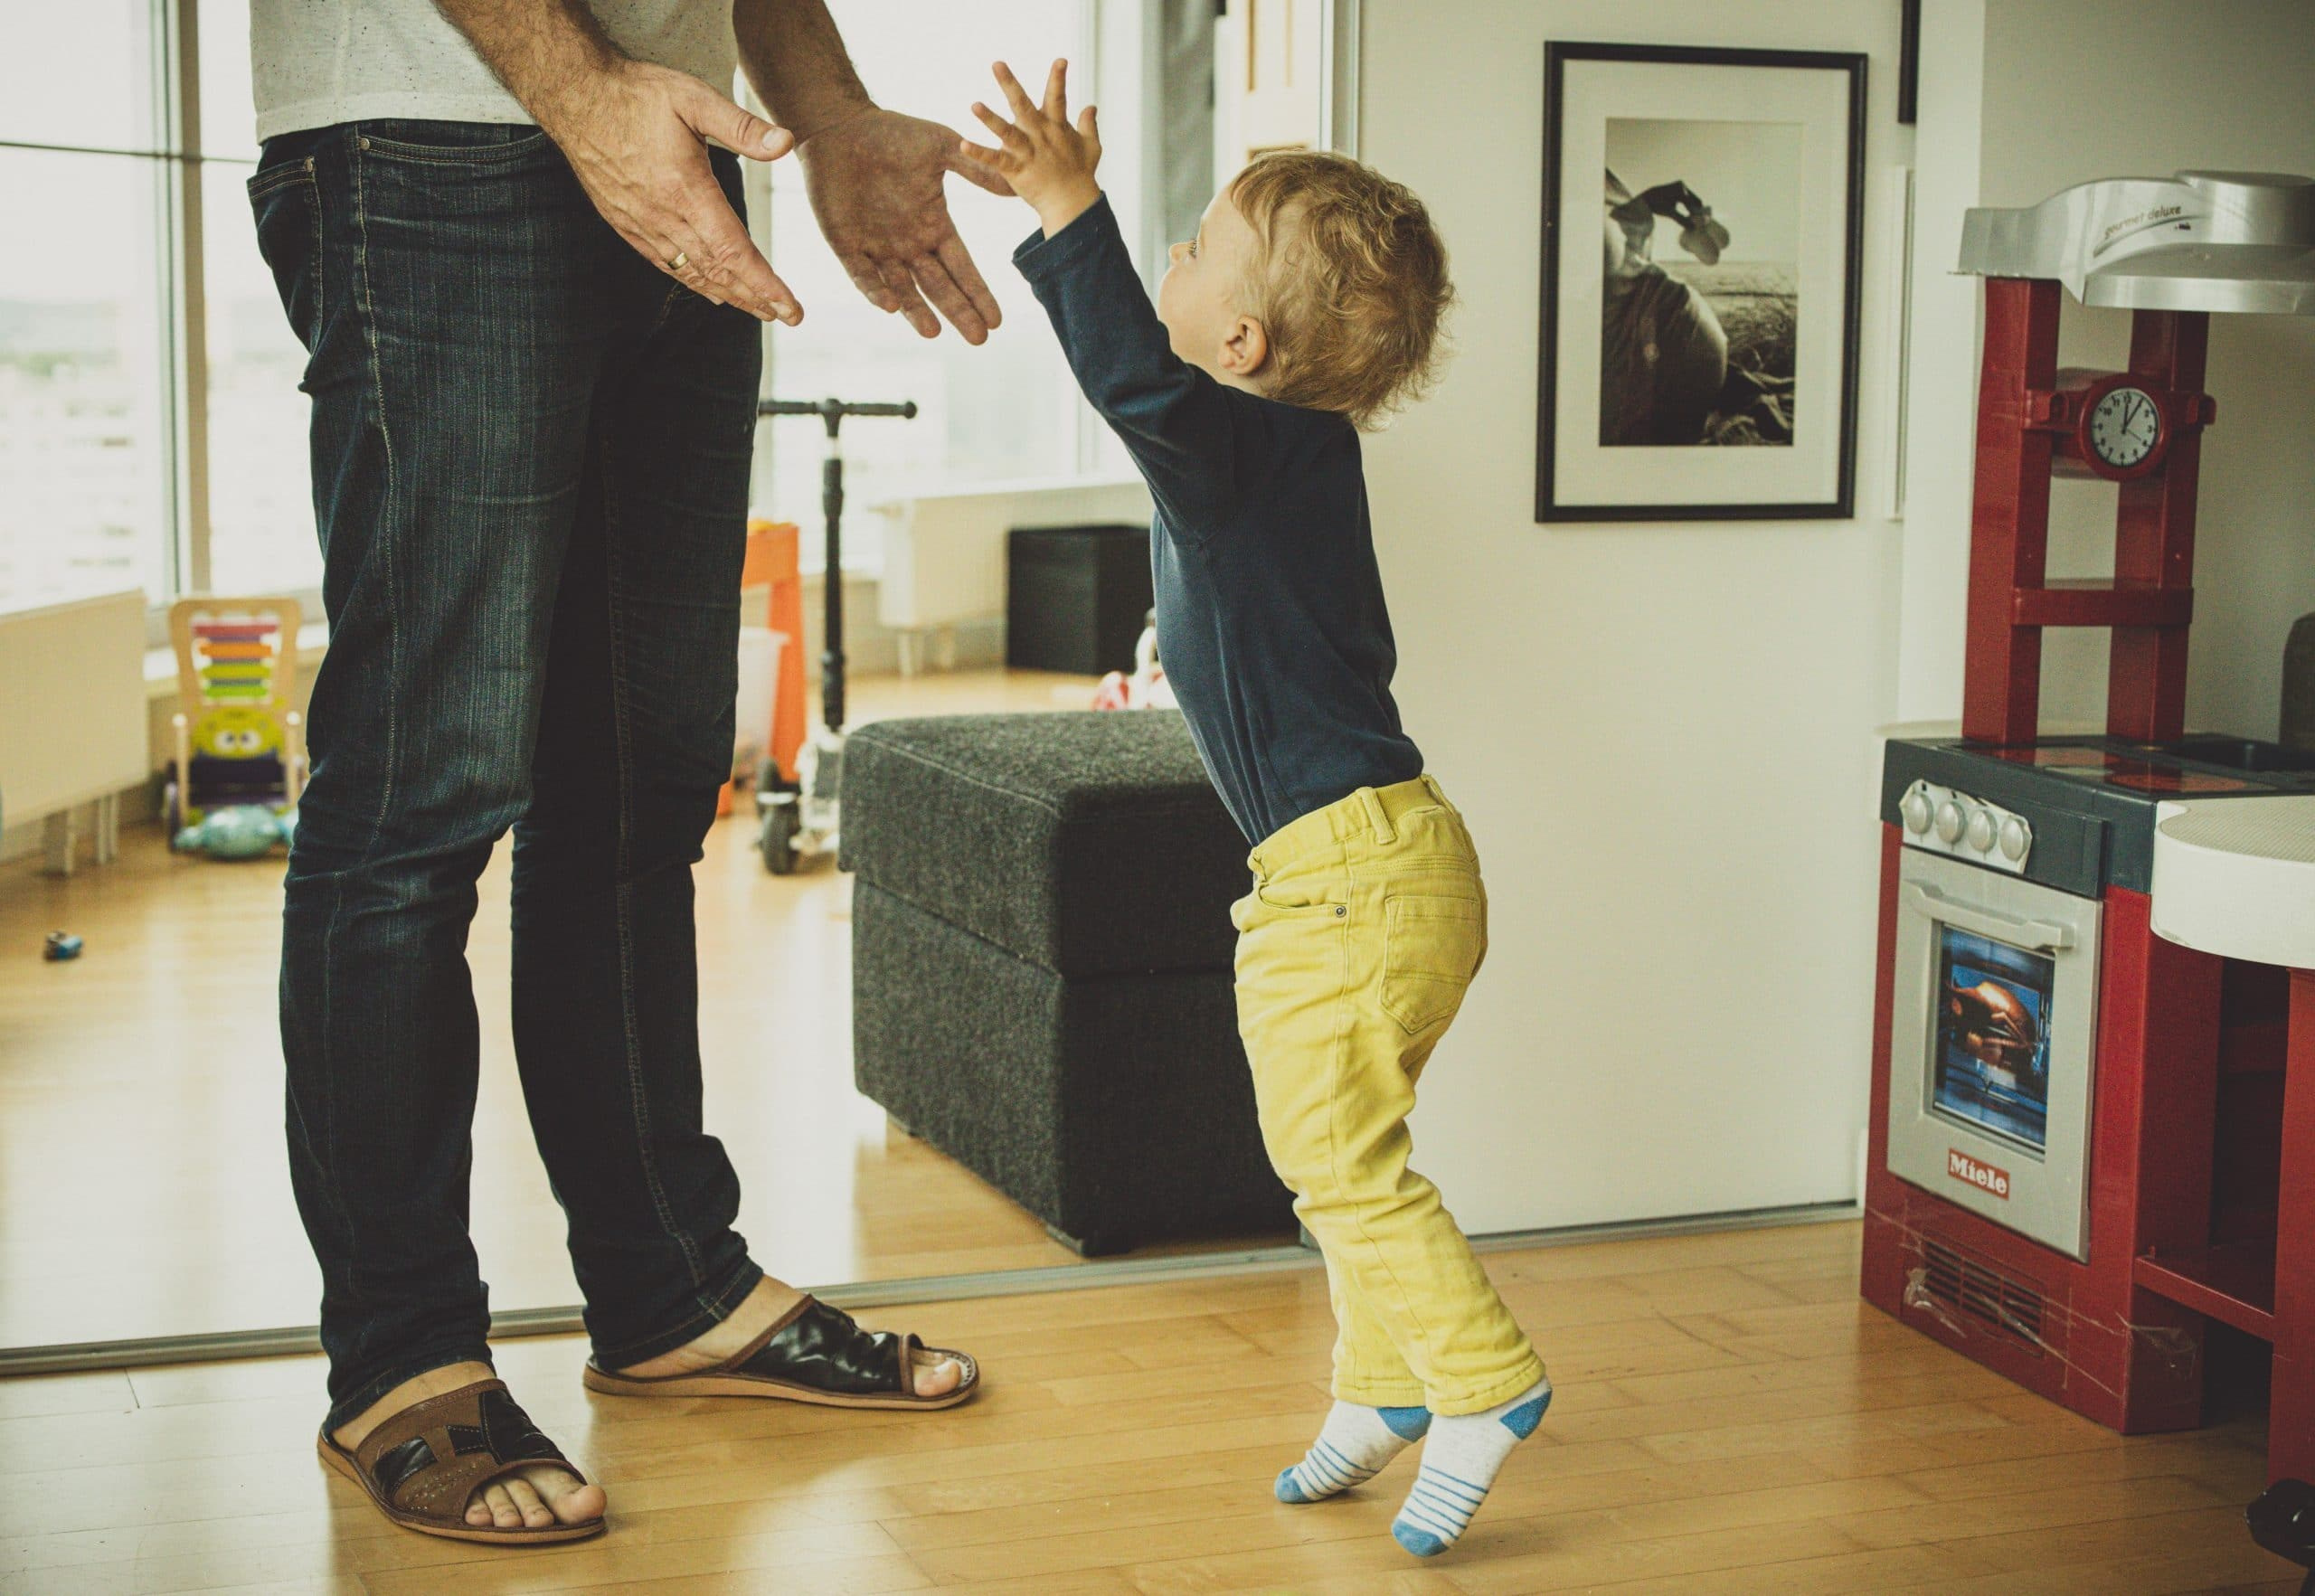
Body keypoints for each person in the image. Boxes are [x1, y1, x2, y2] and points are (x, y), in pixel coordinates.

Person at [249, 0, 999, 1545]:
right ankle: (401, 1357)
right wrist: (577, 90)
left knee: (647, 776)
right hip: (431, 134)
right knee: (421, 788)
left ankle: (670, 1284)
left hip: (680, 139)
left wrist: (832, 112)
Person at [969, 61, 1550, 1559]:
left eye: (1192, 247)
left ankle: (1481, 1381)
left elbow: (1128, 375)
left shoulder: (1227, 449)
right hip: (1389, 863)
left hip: (1348, 881)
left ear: (1238, 340)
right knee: (1345, 1142)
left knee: (1339, 1162)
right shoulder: (1294, 457)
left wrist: (1065, 210)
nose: (1165, 257)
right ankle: (1377, 1389)